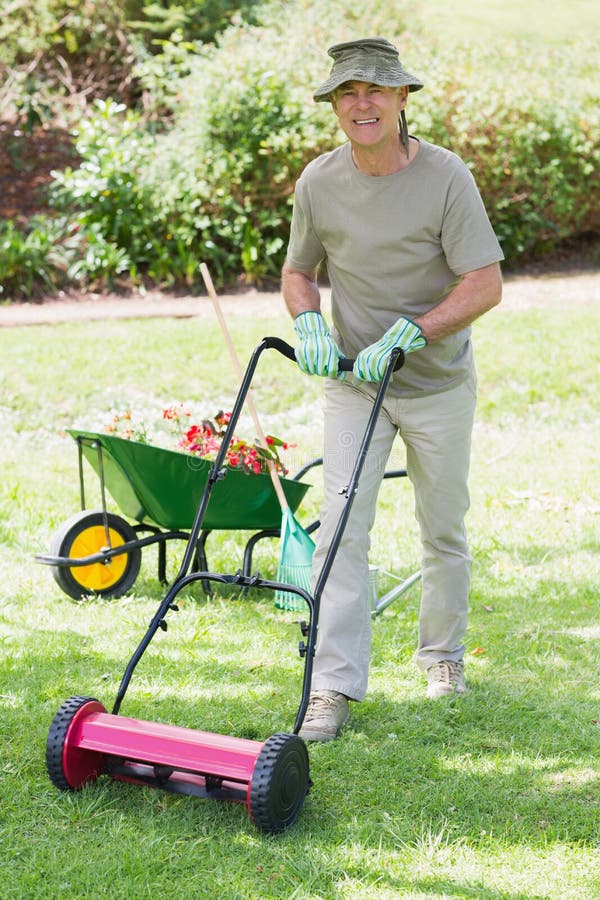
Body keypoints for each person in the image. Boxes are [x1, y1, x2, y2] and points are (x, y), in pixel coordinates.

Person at [282, 37, 504, 742]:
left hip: (436, 384)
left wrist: (416, 331)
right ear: (334, 106)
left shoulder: (446, 177)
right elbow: (299, 272)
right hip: (354, 384)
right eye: (348, 93)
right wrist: (308, 320)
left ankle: (442, 660)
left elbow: (485, 283)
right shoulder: (318, 181)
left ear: (404, 98)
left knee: (442, 529)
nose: (362, 104)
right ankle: (331, 688)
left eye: (376, 90)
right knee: (340, 530)